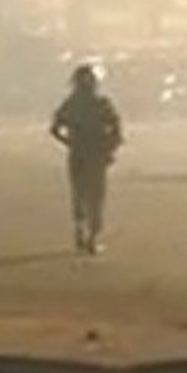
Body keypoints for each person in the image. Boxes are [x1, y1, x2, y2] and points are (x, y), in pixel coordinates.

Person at [50, 64, 123, 255]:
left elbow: (55, 129)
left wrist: (69, 143)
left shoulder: (71, 104)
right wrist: (110, 148)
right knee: (96, 197)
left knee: (79, 193)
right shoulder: (101, 103)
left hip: (78, 154)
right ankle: (91, 238)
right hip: (96, 156)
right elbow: (116, 130)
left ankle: (81, 231)